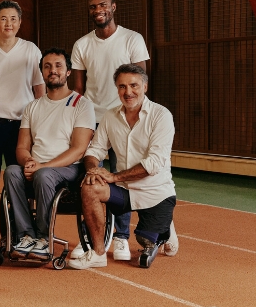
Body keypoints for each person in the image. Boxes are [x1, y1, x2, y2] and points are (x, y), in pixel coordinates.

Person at [69, 0, 178, 261]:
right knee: (94, 177)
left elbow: (137, 76)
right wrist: (94, 166)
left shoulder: (132, 39)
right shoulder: (82, 44)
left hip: (131, 119)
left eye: (102, 5)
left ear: (113, 7)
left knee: (123, 172)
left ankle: (122, 236)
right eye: (93, 6)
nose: (98, 10)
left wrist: (113, 176)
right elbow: (78, 88)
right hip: (99, 118)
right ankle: (99, 244)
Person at [69, 64, 176, 269]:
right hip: (125, 192)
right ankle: (98, 253)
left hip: (156, 193)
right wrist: (93, 169)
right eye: (122, 87)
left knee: (145, 245)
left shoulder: (161, 116)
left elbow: (153, 163)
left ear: (145, 86)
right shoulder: (110, 116)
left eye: (134, 85)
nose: (128, 92)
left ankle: (165, 229)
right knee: (90, 187)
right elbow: (94, 150)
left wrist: (114, 177)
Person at [4, 48, 95, 260]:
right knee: (10, 172)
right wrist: (27, 161)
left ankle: (44, 239)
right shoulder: (32, 107)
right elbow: (21, 147)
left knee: (43, 175)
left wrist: (43, 167)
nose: (52, 70)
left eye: (58, 66)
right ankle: (26, 235)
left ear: (68, 72)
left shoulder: (82, 104)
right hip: (38, 167)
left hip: (68, 169)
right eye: (47, 66)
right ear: (42, 73)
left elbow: (78, 149)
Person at [0, 0, 45, 224]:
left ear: (20, 23)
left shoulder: (30, 50)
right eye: (3, 18)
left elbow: (39, 89)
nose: (8, 23)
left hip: (21, 126)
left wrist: (39, 123)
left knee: (19, 179)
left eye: (13, 19)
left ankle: (14, 232)